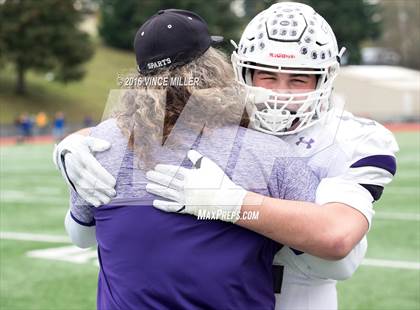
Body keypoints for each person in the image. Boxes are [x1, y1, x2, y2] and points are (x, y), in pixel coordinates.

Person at [53, 3, 398, 309]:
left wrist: (233, 203)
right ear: (237, 69)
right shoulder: (226, 119)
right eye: (267, 76)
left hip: (303, 297)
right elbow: (147, 124)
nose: (279, 94)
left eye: (299, 80)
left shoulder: (354, 139)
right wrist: (70, 146)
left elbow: (339, 254)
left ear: (325, 79)